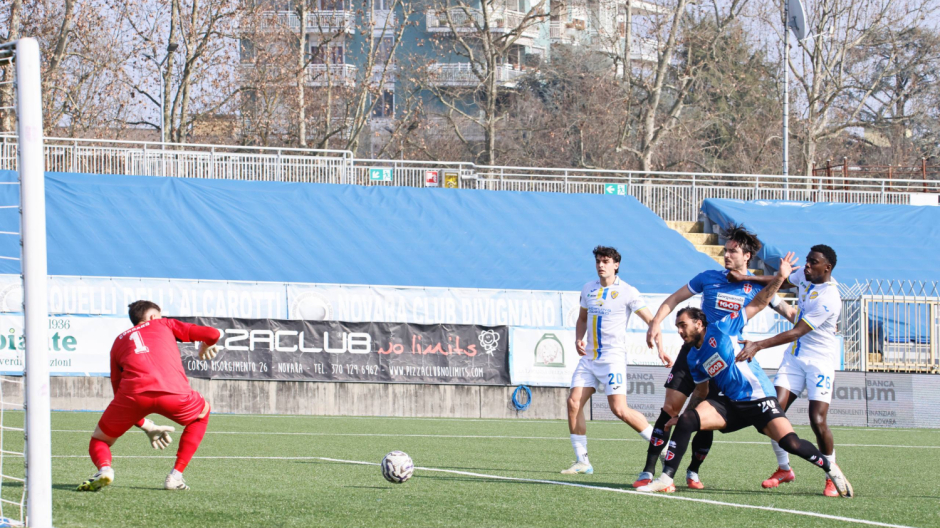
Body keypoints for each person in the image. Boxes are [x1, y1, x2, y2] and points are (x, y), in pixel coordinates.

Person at [637, 252, 853, 497]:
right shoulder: (693, 357)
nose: (679, 332)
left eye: (683, 325)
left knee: (790, 443)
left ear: (699, 323)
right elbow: (701, 391)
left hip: (759, 398)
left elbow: (759, 303)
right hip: (730, 404)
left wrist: (780, 279)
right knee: (687, 421)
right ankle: (666, 479)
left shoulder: (722, 327)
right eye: (677, 327)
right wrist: (687, 413)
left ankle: (830, 468)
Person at [639, 224, 794, 489]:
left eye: (733, 251)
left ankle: (693, 472)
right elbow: (675, 298)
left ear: (747, 256)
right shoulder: (708, 277)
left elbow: (790, 311)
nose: (727, 255)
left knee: (702, 417)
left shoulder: (756, 288)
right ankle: (648, 470)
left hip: (723, 362)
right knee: (670, 408)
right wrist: (655, 322)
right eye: (725, 250)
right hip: (694, 354)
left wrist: (819, 323)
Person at [77, 300, 221, 492]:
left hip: (132, 395)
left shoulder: (118, 341)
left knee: (100, 440)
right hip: (174, 393)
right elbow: (213, 334)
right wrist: (205, 345)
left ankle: (105, 469)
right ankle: (175, 476)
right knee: (202, 413)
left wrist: (146, 425)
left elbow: (117, 389)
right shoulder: (163, 324)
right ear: (153, 317)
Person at [736, 245, 843, 496]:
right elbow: (780, 282)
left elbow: (796, 331)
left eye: (812, 262)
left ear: (826, 268)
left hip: (820, 362)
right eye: (806, 261)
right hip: (795, 358)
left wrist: (758, 345)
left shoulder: (829, 297)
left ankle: (832, 474)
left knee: (817, 420)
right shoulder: (807, 277)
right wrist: (746, 277)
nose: (806, 266)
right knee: (773, 413)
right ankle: (784, 468)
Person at [562, 246, 669, 475]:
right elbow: (582, 319)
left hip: (612, 359)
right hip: (589, 358)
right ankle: (582, 461)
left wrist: (660, 349)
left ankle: (662, 446)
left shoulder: (628, 291)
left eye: (606, 261)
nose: (601, 265)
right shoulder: (588, 289)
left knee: (619, 409)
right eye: (598, 261)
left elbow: (653, 321)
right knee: (573, 403)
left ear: (616, 265)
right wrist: (578, 339)